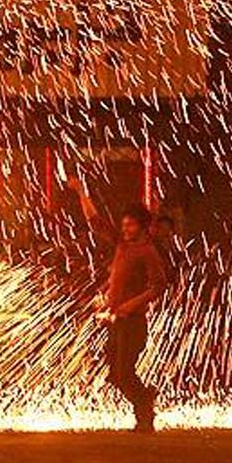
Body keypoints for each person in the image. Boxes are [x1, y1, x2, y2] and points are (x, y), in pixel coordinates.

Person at [70, 178, 167, 433]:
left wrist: (130, 305)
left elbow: (159, 285)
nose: (125, 228)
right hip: (117, 321)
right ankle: (146, 400)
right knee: (115, 375)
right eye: (124, 224)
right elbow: (95, 222)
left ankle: (145, 411)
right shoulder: (122, 245)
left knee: (124, 373)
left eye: (131, 224)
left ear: (143, 227)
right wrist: (81, 192)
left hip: (133, 323)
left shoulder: (147, 252)